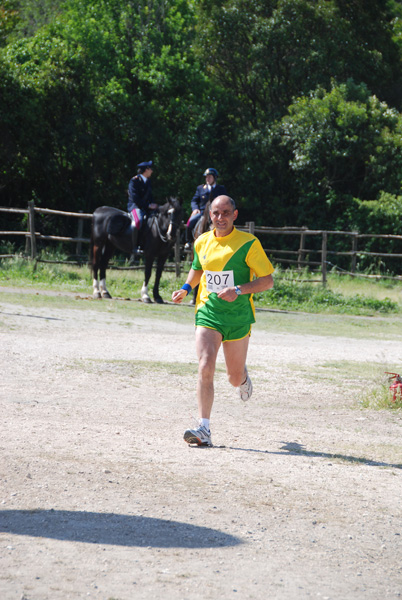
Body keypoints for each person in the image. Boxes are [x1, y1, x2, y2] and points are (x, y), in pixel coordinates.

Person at [172, 195, 274, 447]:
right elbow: (198, 268)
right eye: (216, 213)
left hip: (238, 317)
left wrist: (238, 290)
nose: (220, 218)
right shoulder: (201, 241)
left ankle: (242, 377)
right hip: (208, 312)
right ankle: (204, 428)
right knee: (206, 365)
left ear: (235, 215)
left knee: (232, 377)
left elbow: (267, 280)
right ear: (209, 214)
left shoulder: (248, 243)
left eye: (226, 213)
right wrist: (186, 288)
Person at [184, 167, 227, 250]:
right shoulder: (200, 188)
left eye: (210, 177)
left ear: (215, 178)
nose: (207, 179)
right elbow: (194, 200)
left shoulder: (221, 189)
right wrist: (195, 209)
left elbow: (226, 201)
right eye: (206, 177)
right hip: (202, 213)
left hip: (217, 213)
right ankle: (188, 242)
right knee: (190, 222)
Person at [127, 160, 158, 251]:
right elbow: (135, 198)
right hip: (135, 206)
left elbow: (150, 196)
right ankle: (134, 246)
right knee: (138, 221)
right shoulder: (134, 181)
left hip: (145, 207)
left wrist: (154, 204)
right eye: (150, 169)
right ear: (146, 170)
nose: (152, 171)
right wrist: (148, 206)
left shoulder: (148, 181)